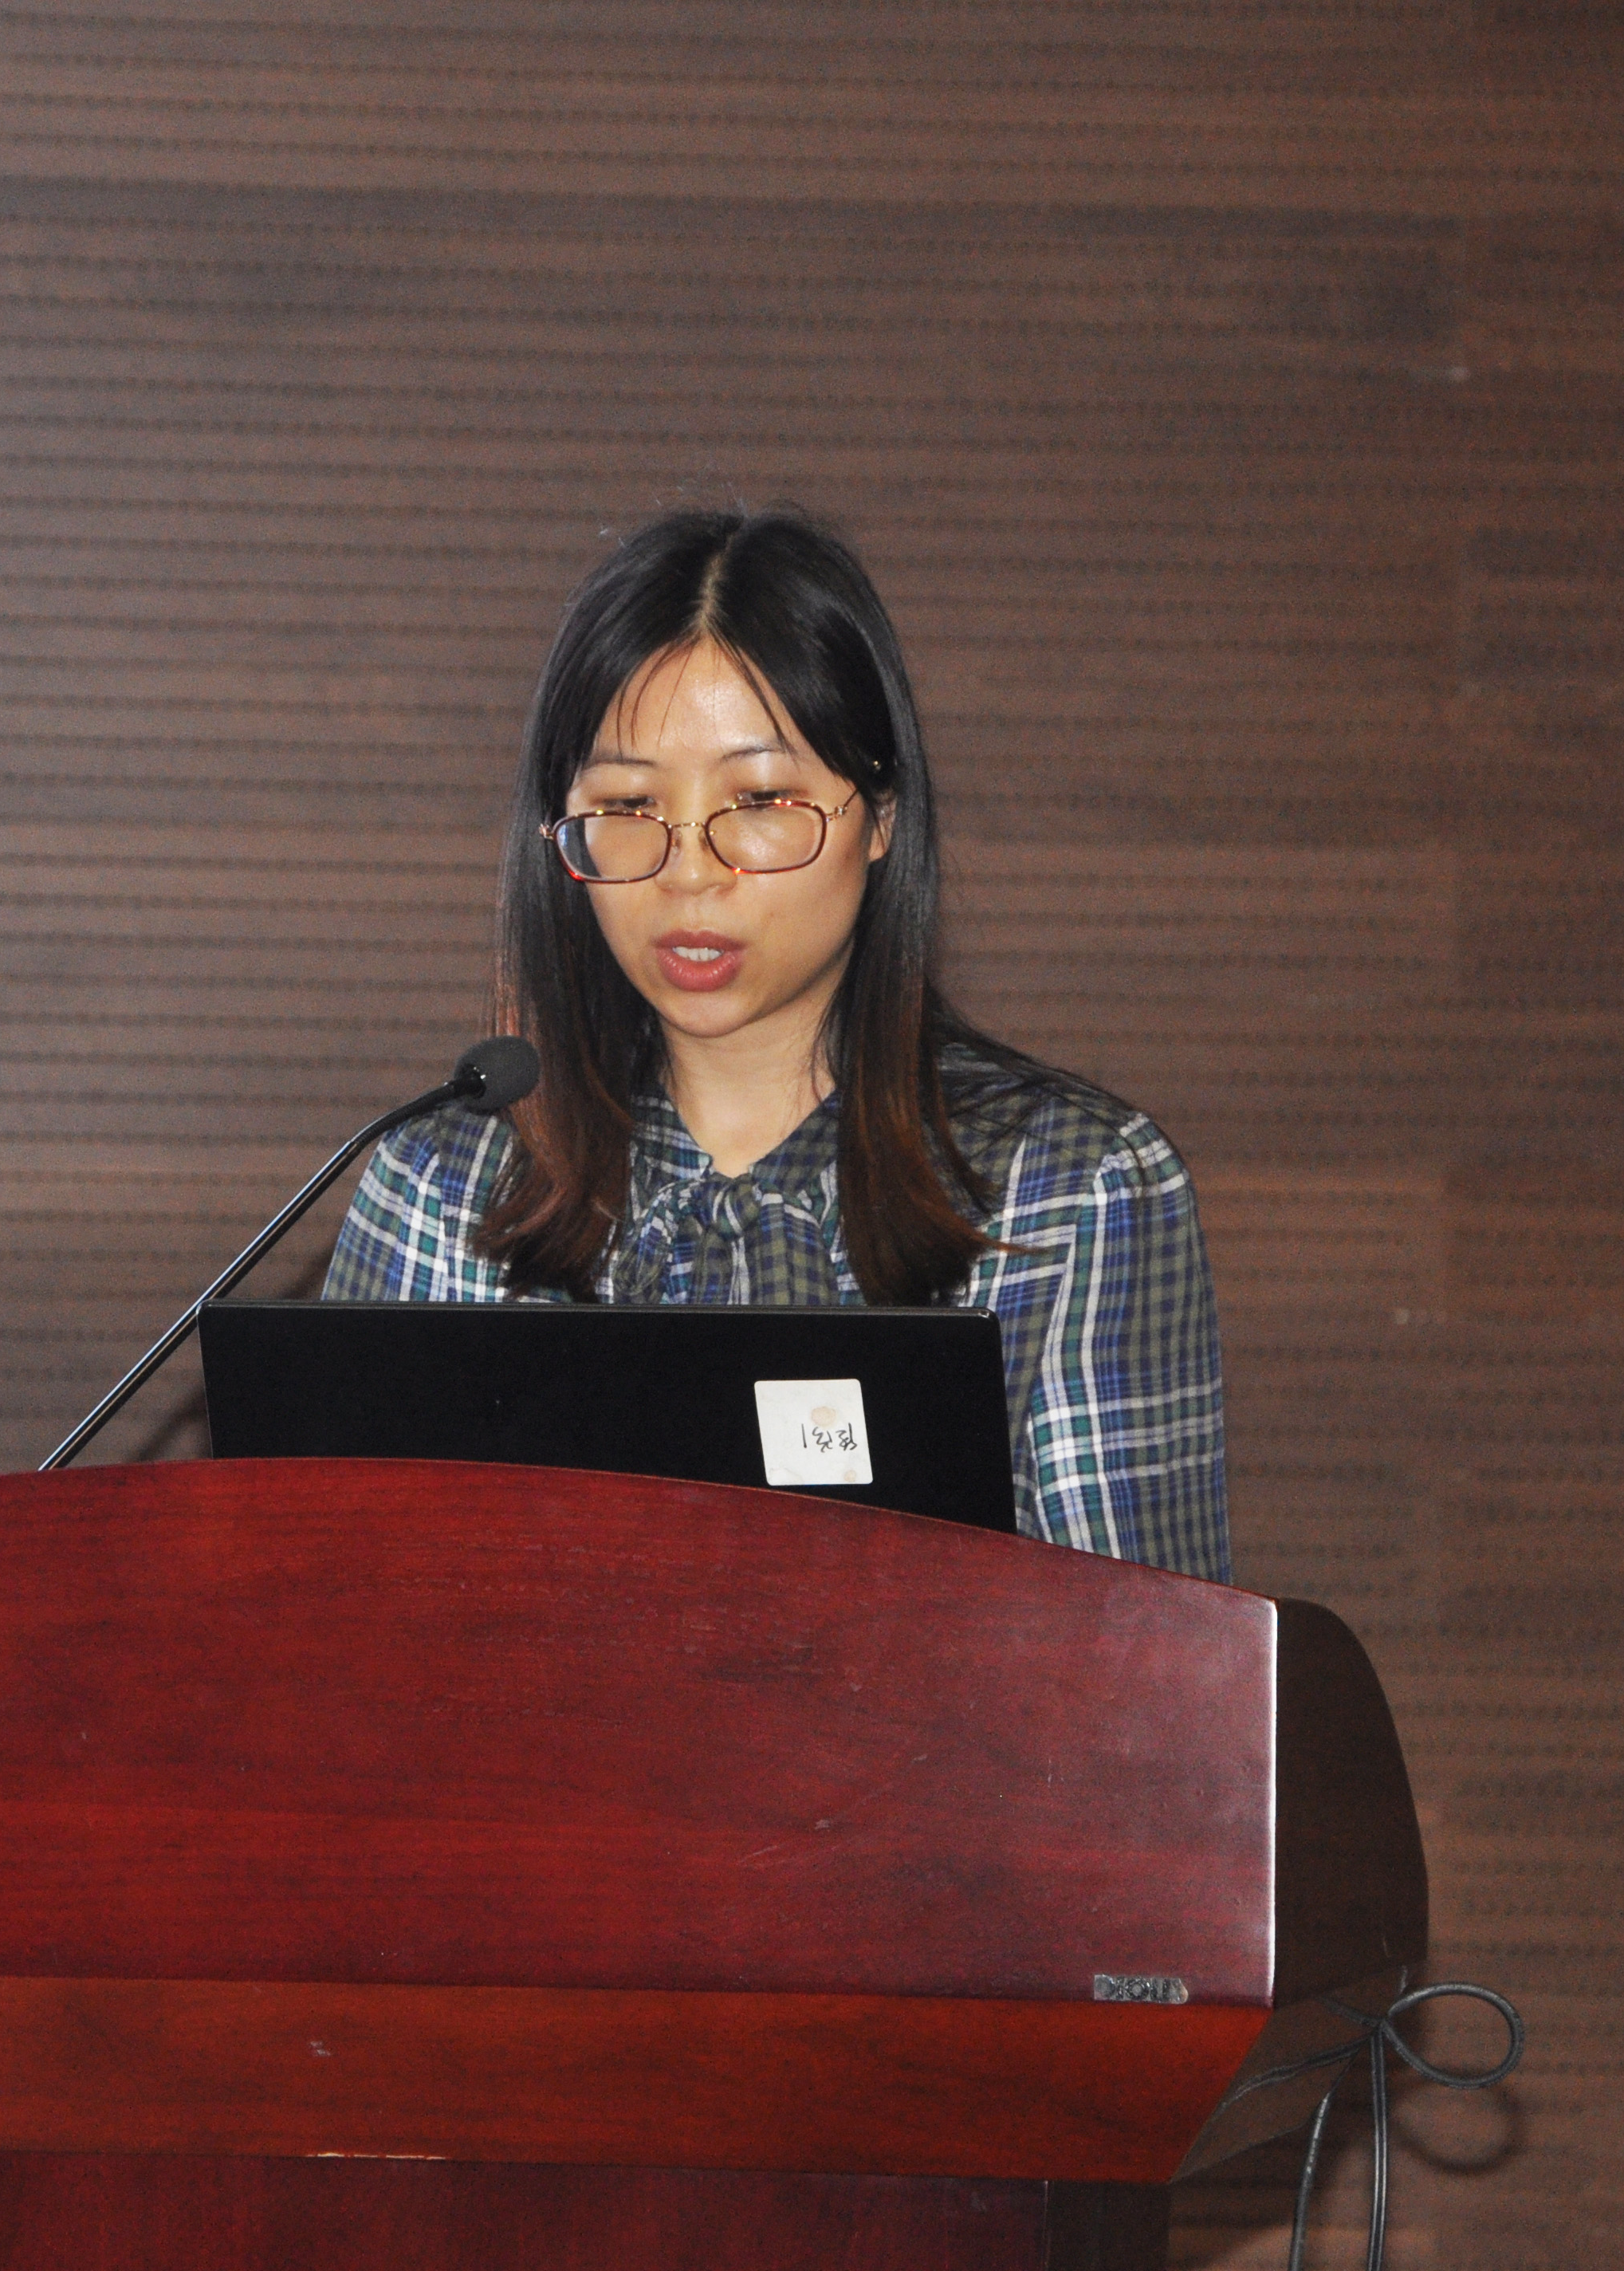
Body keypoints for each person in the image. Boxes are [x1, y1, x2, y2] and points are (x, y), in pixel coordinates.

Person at [320, 509, 1229, 1580]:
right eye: (629, 804)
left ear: (880, 816)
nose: (690, 874)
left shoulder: (1071, 1193)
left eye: (758, 800)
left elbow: (1147, 1672)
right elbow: (345, 1628)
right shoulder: (446, 1189)